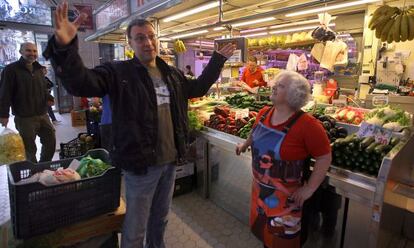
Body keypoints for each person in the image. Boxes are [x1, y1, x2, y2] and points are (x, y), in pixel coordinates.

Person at [43, 2, 235, 247]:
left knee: (161, 218)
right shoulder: (117, 73)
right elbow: (81, 83)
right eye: (140, 38)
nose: (148, 42)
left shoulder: (171, 73)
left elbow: (196, 88)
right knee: (136, 225)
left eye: (151, 36)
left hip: (169, 160)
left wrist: (217, 61)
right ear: (130, 44)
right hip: (142, 163)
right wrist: (65, 48)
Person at [235, 71, 331, 248]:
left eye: (280, 86)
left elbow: (324, 157)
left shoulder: (308, 125)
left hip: (287, 203)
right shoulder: (264, 113)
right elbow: (255, 132)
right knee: (264, 235)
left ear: (294, 94)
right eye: (276, 84)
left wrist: (309, 188)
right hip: (260, 193)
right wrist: (245, 144)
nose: (273, 87)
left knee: (282, 241)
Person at [0, 42, 56, 163]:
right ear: (21, 52)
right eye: (28, 50)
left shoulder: (39, 69)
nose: (32, 54)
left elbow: (43, 88)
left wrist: (48, 98)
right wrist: (3, 114)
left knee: (50, 141)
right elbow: (4, 94)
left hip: (42, 114)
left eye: (34, 51)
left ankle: (44, 166)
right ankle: (33, 171)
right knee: (29, 148)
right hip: (24, 117)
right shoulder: (10, 70)